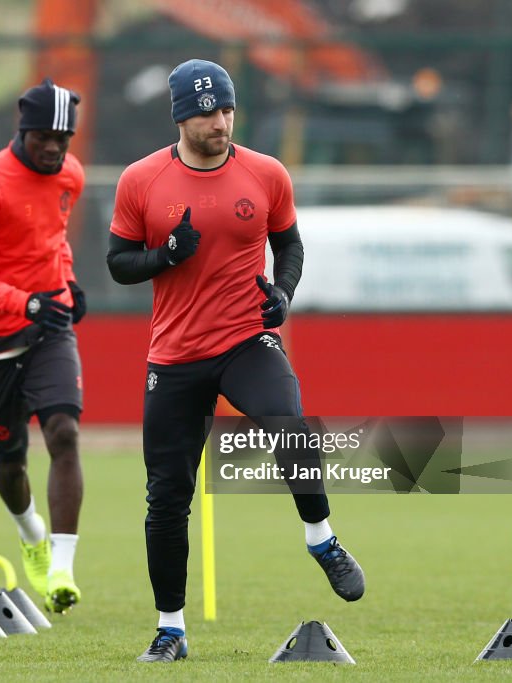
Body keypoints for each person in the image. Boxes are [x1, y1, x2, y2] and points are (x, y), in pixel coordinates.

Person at [106, 59, 365, 663]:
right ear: (180, 117)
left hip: (247, 339)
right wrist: (167, 254)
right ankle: (170, 630)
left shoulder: (266, 173)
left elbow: (289, 243)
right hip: (173, 357)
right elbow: (120, 263)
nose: (220, 121)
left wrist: (284, 292)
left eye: (226, 109)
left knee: (290, 426)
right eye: (206, 112)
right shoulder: (141, 181)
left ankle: (321, 539)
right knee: (167, 498)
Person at [0, 78, 86, 614]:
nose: (53, 148)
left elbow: (55, 238)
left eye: (63, 138)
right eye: (43, 137)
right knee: (10, 458)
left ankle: (63, 568)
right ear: (22, 131)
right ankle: (32, 536)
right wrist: (22, 302)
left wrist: (67, 282)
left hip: (49, 326)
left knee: (65, 431)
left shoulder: (70, 174)